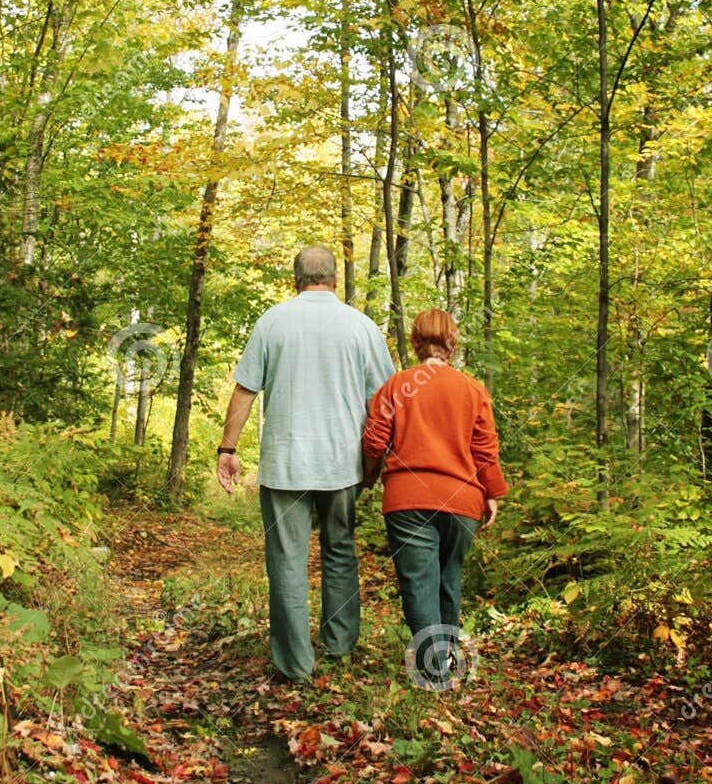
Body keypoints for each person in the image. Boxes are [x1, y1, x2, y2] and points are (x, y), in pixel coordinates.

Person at [216, 245, 395, 680]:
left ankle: (295, 665)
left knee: (287, 559)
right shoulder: (362, 327)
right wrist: (381, 461)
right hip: (343, 464)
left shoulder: (272, 321)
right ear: (335, 279)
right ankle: (338, 645)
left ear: (295, 279)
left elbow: (245, 391)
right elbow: (386, 401)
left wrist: (228, 449)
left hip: (285, 463)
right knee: (340, 551)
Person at [362, 308, 507, 689]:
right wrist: (492, 492)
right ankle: (442, 663)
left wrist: (370, 475)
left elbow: (375, 439)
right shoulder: (472, 389)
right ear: (452, 343)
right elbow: (485, 449)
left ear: (414, 342)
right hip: (462, 501)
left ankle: (435, 674)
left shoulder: (397, 386)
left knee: (418, 583)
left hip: (408, 501)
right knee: (448, 578)